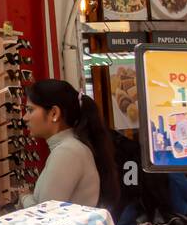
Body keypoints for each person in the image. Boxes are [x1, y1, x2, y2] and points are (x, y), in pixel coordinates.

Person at [20, 79, 119, 212]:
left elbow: (45, 214)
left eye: (30, 110)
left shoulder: (68, 151)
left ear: (54, 113)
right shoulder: (69, 148)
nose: (25, 118)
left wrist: (24, 197)